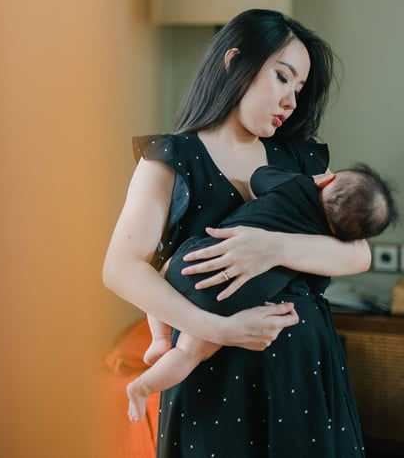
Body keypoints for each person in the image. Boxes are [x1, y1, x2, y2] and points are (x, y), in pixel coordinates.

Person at [103, 9, 373, 457]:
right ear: (235, 62)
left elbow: (358, 254)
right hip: (212, 378)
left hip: (304, 370)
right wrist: (217, 329)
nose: (291, 100)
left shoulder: (301, 160)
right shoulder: (171, 158)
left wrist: (271, 248)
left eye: (300, 88)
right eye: (282, 78)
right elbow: (120, 268)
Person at [126, 162, 398, 422]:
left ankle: (159, 337)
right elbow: (318, 285)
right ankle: (142, 386)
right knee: (188, 353)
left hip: (198, 261)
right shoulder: (321, 243)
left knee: (161, 274)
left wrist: (304, 181)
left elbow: (259, 177)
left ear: (327, 179)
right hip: (230, 301)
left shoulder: (295, 187)